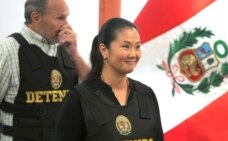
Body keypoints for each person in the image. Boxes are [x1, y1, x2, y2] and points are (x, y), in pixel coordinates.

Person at [55, 17, 164, 141]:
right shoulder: (79, 98)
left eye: (137, 47)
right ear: (104, 50)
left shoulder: (146, 95)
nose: (133, 54)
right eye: (126, 46)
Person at [0, 0, 90, 141]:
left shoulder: (67, 47)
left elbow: (95, 89)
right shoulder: (9, 49)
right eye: (60, 18)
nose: (66, 25)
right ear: (36, 18)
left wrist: (74, 54)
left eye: (67, 17)